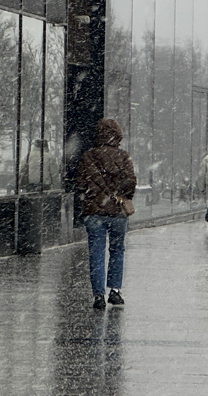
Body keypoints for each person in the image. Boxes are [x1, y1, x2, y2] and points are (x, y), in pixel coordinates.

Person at [75, 118, 137, 310]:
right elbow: (130, 182)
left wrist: (91, 197)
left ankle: (98, 295)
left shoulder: (88, 156)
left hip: (94, 213)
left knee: (96, 253)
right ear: (117, 135)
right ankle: (115, 291)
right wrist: (120, 195)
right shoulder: (123, 156)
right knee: (117, 250)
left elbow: (80, 184)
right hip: (117, 212)